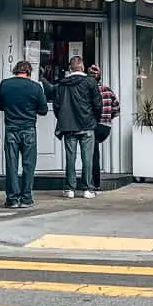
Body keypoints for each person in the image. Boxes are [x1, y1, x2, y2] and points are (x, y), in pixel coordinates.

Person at [0, 60, 48, 208]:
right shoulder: (35, 87)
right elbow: (44, 110)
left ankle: (12, 198)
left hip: (11, 128)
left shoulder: (5, 84)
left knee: (11, 164)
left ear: (15, 70)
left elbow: (0, 105)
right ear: (29, 72)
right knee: (28, 164)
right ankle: (26, 198)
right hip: (28, 128)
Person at [52, 56, 102, 199]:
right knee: (88, 158)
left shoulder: (62, 84)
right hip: (87, 125)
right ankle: (87, 188)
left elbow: (56, 106)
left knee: (70, 157)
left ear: (70, 68)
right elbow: (98, 105)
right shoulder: (90, 82)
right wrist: (95, 120)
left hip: (68, 126)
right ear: (82, 66)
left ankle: (70, 189)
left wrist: (63, 118)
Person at [87, 64, 120, 192]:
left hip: (92, 125)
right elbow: (116, 109)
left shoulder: (87, 90)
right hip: (105, 127)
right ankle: (95, 183)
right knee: (94, 152)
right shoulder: (107, 89)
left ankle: (94, 183)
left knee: (92, 154)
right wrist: (107, 118)